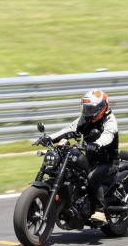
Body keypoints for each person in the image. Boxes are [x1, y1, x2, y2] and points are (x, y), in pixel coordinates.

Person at [44, 89, 119, 225]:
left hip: (108, 163)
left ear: (102, 107)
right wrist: (50, 138)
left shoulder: (110, 121)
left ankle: (100, 211)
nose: (88, 112)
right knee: (71, 171)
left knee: (93, 178)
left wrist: (97, 144)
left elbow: (108, 135)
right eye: (86, 109)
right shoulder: (86, 119)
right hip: (91, 161)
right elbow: (69, 129)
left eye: (91, 109)